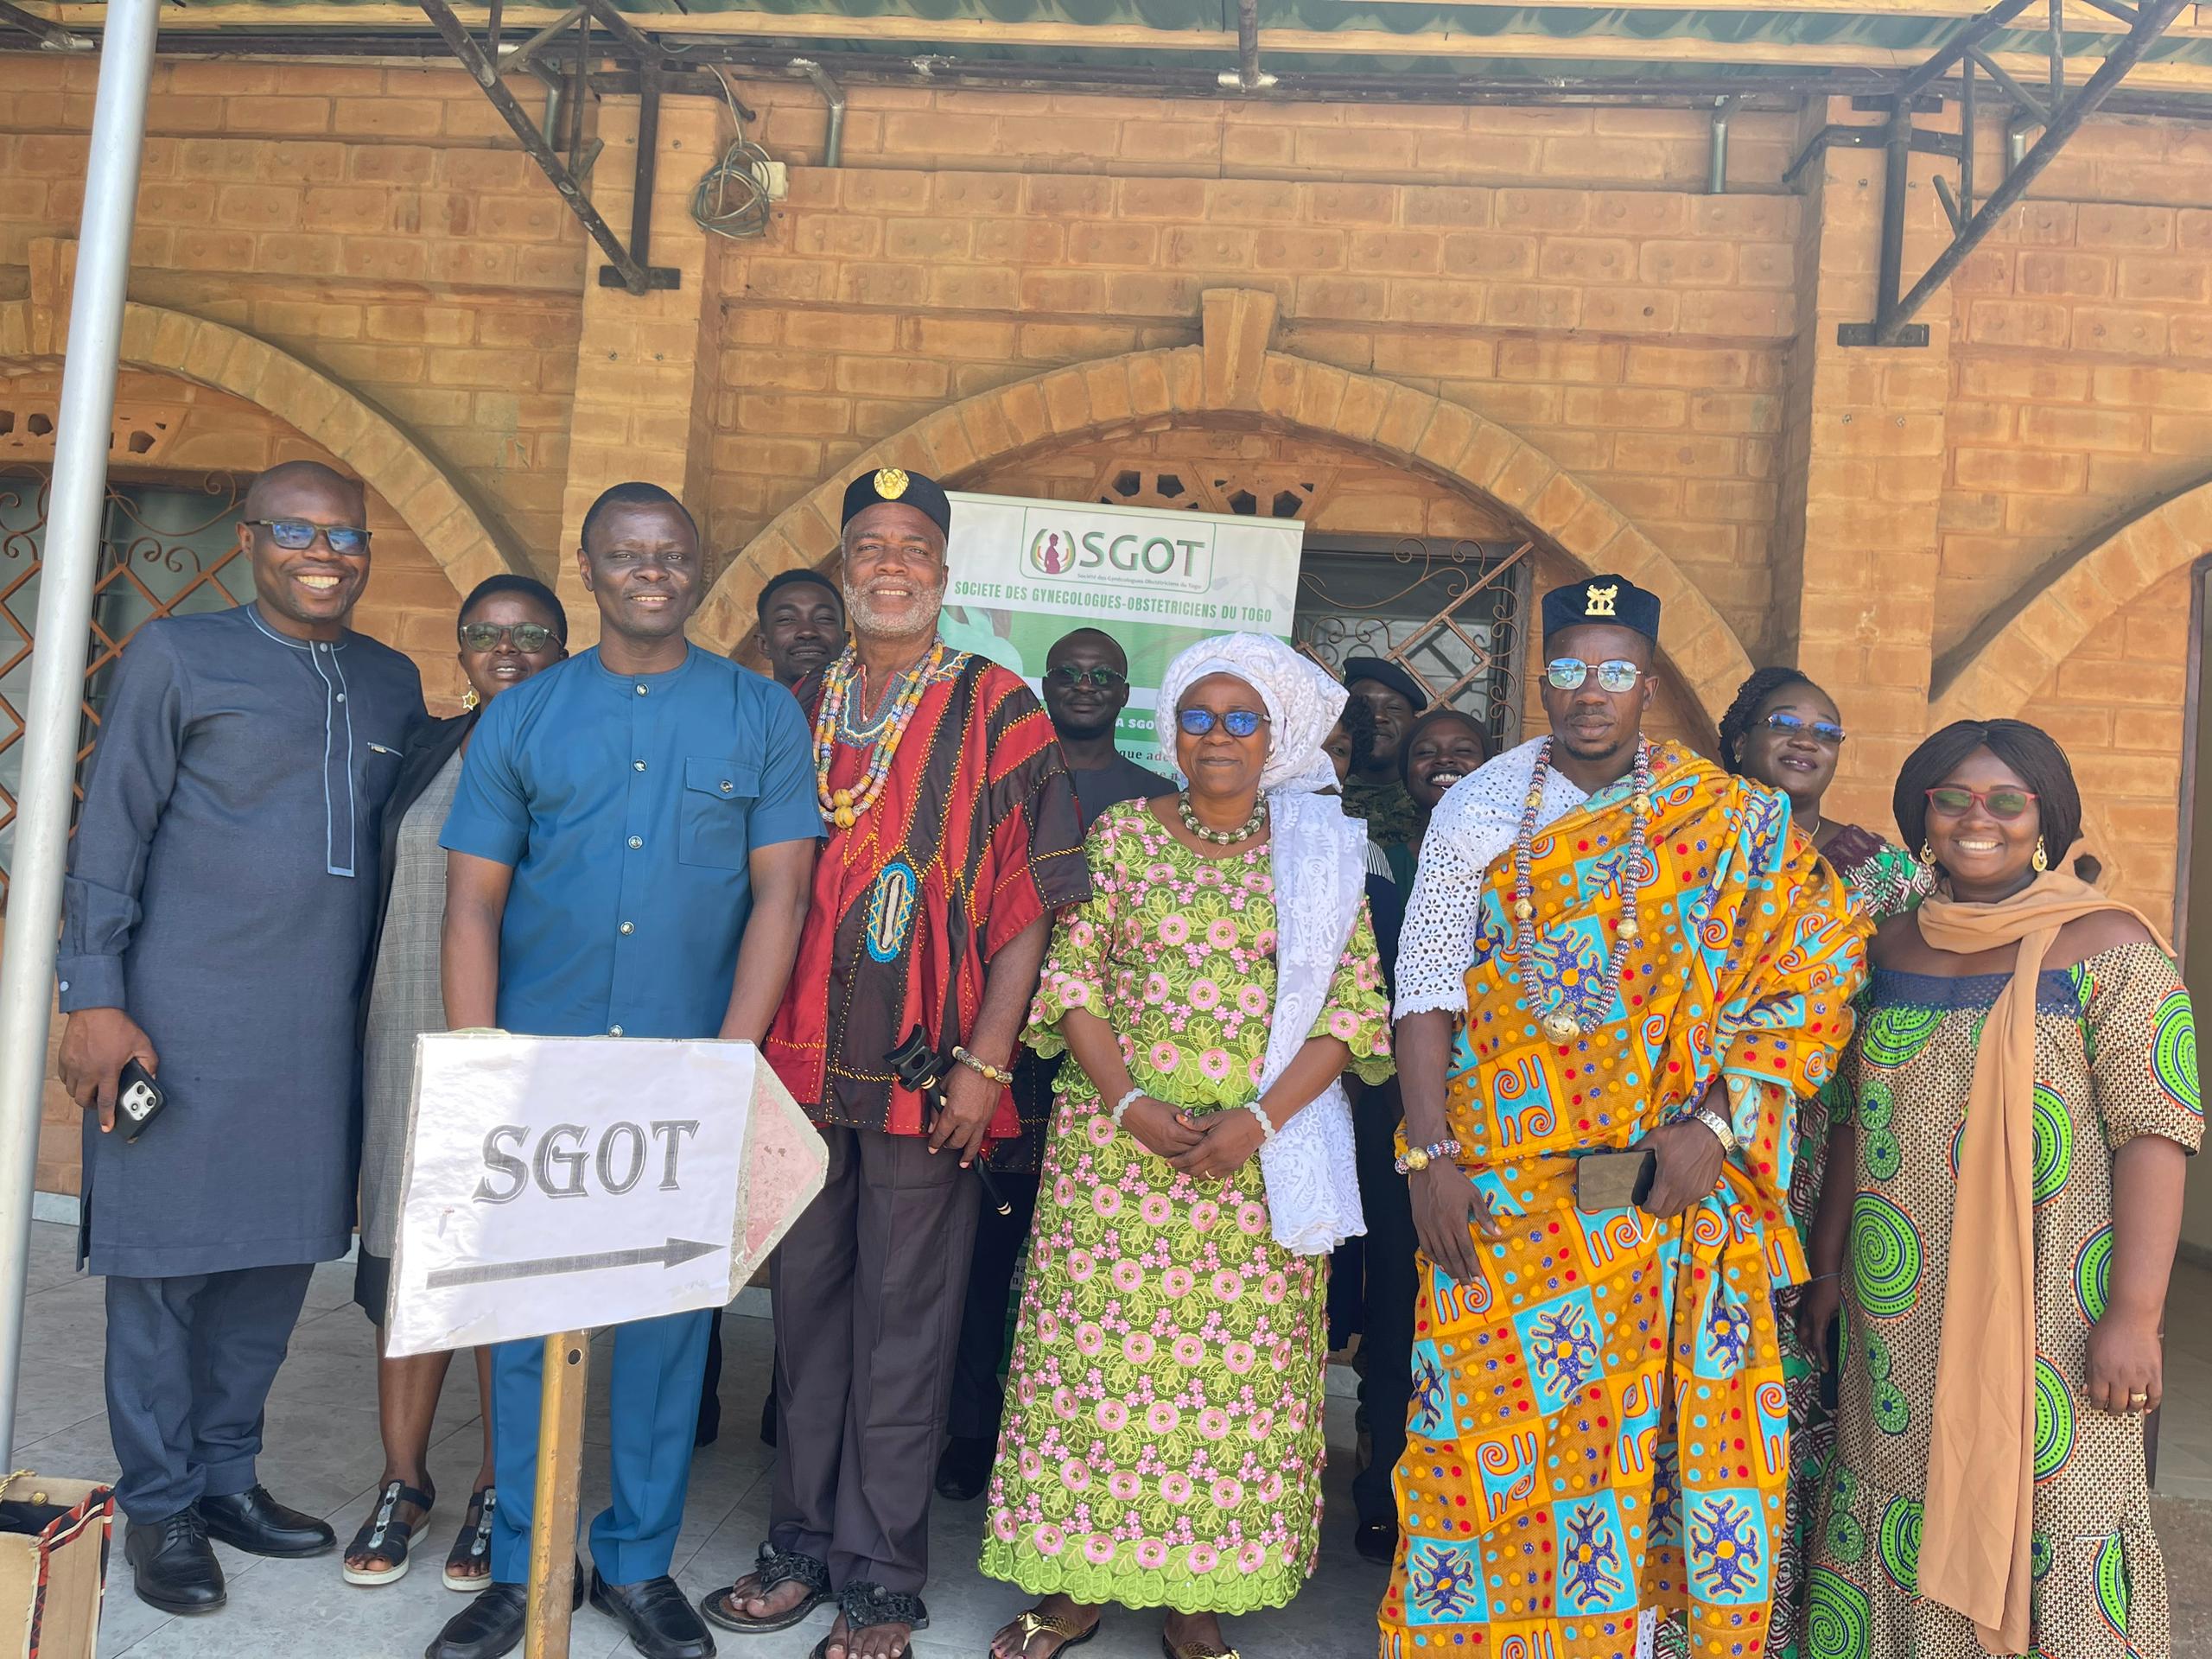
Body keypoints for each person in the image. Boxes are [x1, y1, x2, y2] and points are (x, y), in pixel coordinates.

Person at [1378, 574, 1868, 1659]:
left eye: (1612, 671)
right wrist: (1429, 1155)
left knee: (1641, 1464)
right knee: (1483, 1445)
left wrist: (1720, 1123)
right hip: (1506, 1195)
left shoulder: (1730, 818)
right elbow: (1424, 990)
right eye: (1565, 669)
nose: (1587, 691)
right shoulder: (1481, 806)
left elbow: (1816, 967)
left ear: (1647, 685)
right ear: (1540, 680)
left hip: (1663, 1187)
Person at [428, 482, 818, 1659]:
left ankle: (636, 1562)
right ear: (590, 570)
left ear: (699, 571)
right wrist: (479, 1068)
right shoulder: (526, 717)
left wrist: (730, 1066)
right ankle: (520, 1563)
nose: (653, 571)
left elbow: (782, 896)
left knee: (666, 1329)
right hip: (538, 1071)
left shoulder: (759, 715)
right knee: (521, 1321)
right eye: (628, 555)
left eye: (673, 554)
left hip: (685, 1068)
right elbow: (471, 904)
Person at [705, 467, 1090, 1659]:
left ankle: (880, 1577)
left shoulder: (998, 706)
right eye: (867, 545)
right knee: (809, 1319)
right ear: (842, 567)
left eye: (912, 547)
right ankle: (801, 1544)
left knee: (906, 1323)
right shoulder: (796, 704)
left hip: (930, 1071)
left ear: (942, 570)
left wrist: (987, 1059)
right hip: (800, 1063)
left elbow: (1031, 905)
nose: (888, 565)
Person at [55, 461, 427, 1615]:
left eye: (346, 536)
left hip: (316, 1033)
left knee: (272, 1265)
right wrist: (94, 995)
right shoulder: (178, 655)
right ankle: (158, 1501)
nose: (325, 554)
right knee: (163, 1271)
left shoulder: (390, 681)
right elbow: (108, 830)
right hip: (178, 1019)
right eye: (298, 531)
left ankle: (225, 1478)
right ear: (252, 539)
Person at [980, 632, 1394, 1659]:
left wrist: (1255, 1123)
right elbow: (1071, 982)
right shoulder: (1121, 836)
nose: (1216, 735)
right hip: (1116, 1153)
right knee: (1091, 1371)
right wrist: (1127, 1106)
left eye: (1240, 718)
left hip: (1259, 1161)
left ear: (1277, 737)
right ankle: (1072, 1589)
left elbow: (1350, 1012)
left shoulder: (1322, 853)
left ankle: (1193, 1601)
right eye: (1198, 716)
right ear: (1173, 731)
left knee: (1228, 1396)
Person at [1806, 720, 2198, 1659]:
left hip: (2056, 1314)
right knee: (1892, 1486)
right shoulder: (1883, 947)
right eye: (1952, 798)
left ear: (2045, 818)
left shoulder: (2109, 946)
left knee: (2054, 1502)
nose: (1976, 820)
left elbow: (2156, 1134)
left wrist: (2135, 1317)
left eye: (2005, 801)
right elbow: (1852, 1128)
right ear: (1920, 817)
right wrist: (1823, 1276)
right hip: (1893, 1314)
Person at [342, 575, 568, 1592]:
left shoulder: (583, 757)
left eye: (531, 635)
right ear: (461, 649)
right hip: (409, 1042)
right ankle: (403, 1481)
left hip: (525, 1053)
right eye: (486, 633)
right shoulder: (428, 746)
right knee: (411, 1266)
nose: (507, 649)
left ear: (565, 649)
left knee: (502, 1272)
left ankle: (497, 1487)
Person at [1716, 664, 1932, 1659]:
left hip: (1819, 1153)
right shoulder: (1684, 847)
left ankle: (1783, 1619)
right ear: (1739, 738)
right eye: (1784, 724)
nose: (1806, 741)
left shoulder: (1878, 873)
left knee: (1798, 1372)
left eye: (1827, 732)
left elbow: (1901, 1013)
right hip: (1699, 1148)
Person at [937, 625, 1169, 1503]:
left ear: (1122, 693)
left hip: (1109, 1068)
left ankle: (1072, 1446)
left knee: (1084, 1273)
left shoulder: (1153, 801)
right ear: (1042, 682)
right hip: (1005, 1058)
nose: (1082, 685)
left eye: (1100, 675)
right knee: (982, 1251)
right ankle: (967, 1430)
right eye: (1067, 672)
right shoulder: (1006, 784)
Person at [1384, 705, 1491, 887]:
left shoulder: (1516, 860)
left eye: (1463, 750)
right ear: (1406, 773)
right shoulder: (1383, 865)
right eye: (1426, 752)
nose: (1444, 759)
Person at [1338, 656, 1426, 847]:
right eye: (1365, 707)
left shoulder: (1426, 798)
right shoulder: (1325, 793)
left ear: (1414, 724)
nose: (1378, 716)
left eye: (1394, 708)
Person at [755, 567, 847, 688]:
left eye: (824, 618)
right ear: (763, 644)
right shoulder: (745, 706)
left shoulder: (872, 705)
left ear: (845, 642)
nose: (807, 632)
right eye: (786, 619)